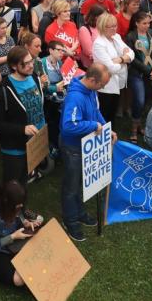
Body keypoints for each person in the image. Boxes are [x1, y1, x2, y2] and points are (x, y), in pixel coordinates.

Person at [59, 65, 110, 241]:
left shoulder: (91, 91)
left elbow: (96, 112)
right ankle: (70, 220)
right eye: (102, 84)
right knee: (71, 186)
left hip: (84, 146)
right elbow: (69, 126)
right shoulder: (75, 97)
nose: (102, 88)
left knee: (80, 182)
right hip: (72, 148)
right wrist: (93, 126)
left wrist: (105, 128)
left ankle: (79, 212)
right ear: (92, 80)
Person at [0, 47, 46, 186]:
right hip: (15, 149)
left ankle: (21, 208)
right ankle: (9, 208)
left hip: (35, 142)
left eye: (31, 61)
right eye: (26, 63)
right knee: (13, 187)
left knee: (24, 186)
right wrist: (22, 129)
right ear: (14, 66)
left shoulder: (34, 78)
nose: (31, 65)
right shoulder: (4, 90)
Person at [92, 12, 134, 116]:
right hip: (106, 86)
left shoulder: (117, 37)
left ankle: (112, 132)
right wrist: (125, 61)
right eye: (109, 27)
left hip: (119, 83)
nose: (113, 29)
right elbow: (111, 68)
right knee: (106, 115)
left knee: (113, 114)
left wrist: (120, 59)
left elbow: (131, 53)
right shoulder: (99, 44)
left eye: (115, 26)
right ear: (102, 27)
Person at [126, 12, 152, 142]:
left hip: (151, 73)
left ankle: (141, 125)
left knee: (148, 100)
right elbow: (132, 58)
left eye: (148, 23)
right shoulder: (131, 36)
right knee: (139, 100)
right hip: (137, 73)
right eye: (144, 23)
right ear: (136, 23)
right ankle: (134, 129)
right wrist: (147, 70)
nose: (147, 26)